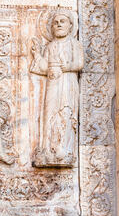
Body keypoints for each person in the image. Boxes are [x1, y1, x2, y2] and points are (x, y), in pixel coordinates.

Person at [30, 10, 84, 167]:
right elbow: (44, 67)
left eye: (63, 21)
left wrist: (65, 67)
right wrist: (37, 55)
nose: (59, 24)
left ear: (70, 26)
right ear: (51, 28)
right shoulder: (50, 46)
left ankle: (66, 149)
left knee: (66, 113)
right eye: (55, 22)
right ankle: (49, 149)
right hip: (53, 84)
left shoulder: (74, 44)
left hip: (68, 83)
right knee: (50, 114)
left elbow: (79, 63)